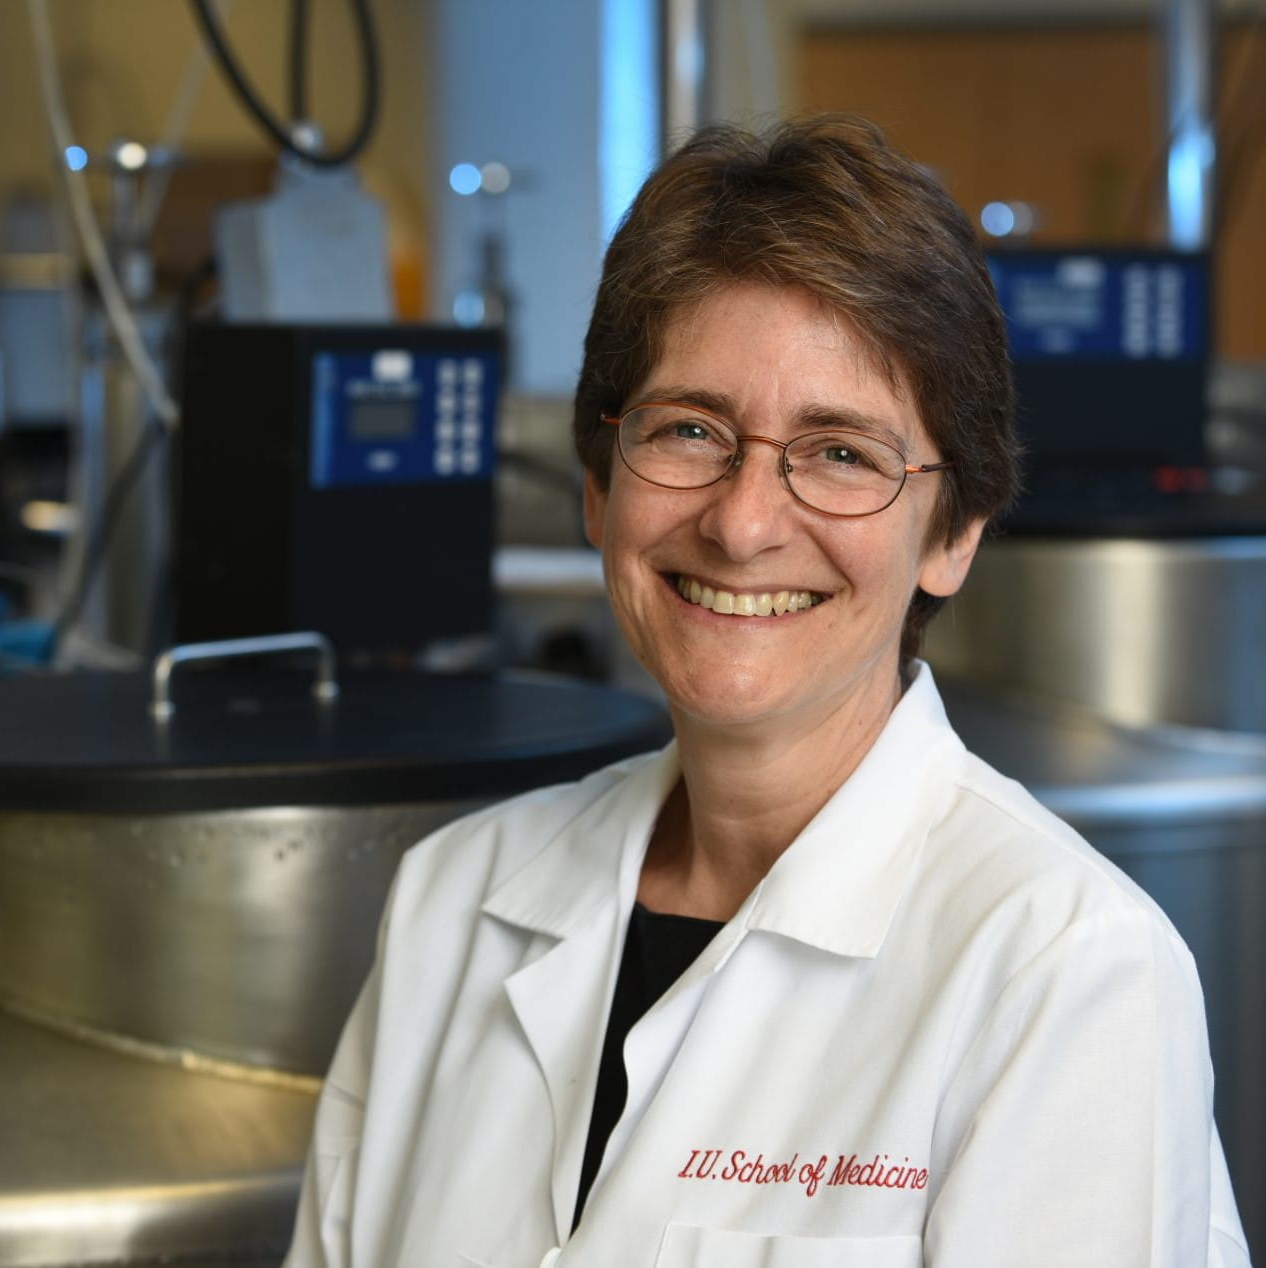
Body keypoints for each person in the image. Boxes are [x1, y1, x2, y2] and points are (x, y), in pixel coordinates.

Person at [284, 116, 1250, 1267]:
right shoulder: (454, 902)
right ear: (597, 491)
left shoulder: (1060, 965)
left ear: (951, 532)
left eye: (840, 451)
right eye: (689, 430)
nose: (742, 523)